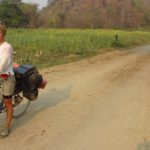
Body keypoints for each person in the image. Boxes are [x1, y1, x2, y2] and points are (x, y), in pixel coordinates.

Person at [0, 21, 16, 138]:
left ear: (3, 33)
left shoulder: (7, 47)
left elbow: (3, 64)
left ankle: (6, 127)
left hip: (7, 78)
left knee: (7, 102)